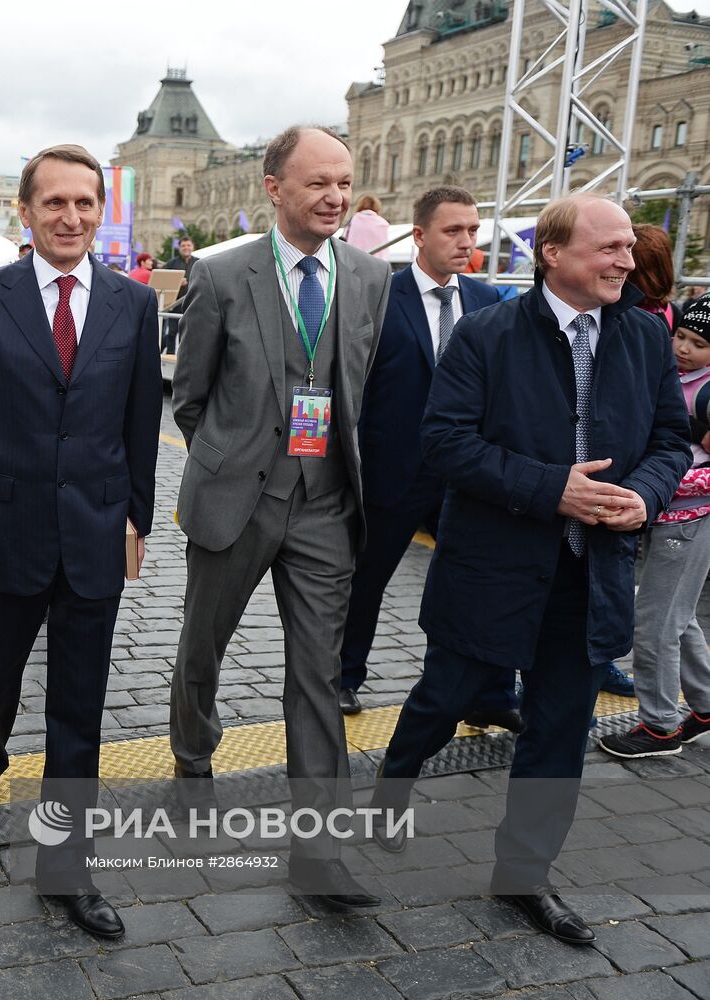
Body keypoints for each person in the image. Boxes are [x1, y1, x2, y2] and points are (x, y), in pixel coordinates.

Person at [369, 194, 689, 945]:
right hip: (494, 568)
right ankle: (394, 777)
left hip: (590, 575)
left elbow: (672, 441)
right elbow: (444, 443)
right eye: (608, 248)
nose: (624, 260)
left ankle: (525, 876)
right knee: (446, 694)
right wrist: (554, 489)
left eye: (625, 249)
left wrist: (643, 496)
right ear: (553, 252)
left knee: (558, 731)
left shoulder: (645, 337)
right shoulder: (487, 334)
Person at [0, 143, 161, 938]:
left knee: (78, 706)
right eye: (54, 202)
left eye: (85, 203)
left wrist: (138, 519)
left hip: (93, 532)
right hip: (4, 527)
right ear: (26, 210)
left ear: (100, 211)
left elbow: (141, 426)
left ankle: (66, 867)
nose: (71, 217)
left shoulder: (133, 303)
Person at [169, 126, 391, 908]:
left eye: (345, 181)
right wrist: (234, 462)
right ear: (274, 188)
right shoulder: (222, 274)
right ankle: (193, 755)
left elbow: (364, 389)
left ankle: (319, 851)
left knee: (317, 676)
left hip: (328, 505)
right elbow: (189, 398)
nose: (335, 196)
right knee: (203, 647)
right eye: (318, 182)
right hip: (237, 500)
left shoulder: (370, 277)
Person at [339, 185, 520, 729]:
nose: (466, 242)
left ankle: (492, 693)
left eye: (472, 231)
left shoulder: (488, 302)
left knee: (486, 580)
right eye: (453, 231)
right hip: (391, 471)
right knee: (365, 580)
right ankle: (345, 677)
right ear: (419, 236)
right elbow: (355, 387)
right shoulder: (378, 295)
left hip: (468, 474)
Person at [599, 295, 710, 758]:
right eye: (681, 336)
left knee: (655, 625)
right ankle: (705, 705)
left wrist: (659, 482)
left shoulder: (706, 394)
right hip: (667, 516)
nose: (683, 348)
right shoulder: (680, 379)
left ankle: (661, 726)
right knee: (678, 619)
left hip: (689, 518)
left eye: (699, 343)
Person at [162, 235, 196, 353]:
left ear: (193, 247)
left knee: (188, 334)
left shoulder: (199, 262)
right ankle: (170, 356)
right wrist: (176, 282)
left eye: (188, 245)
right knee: (172, 333)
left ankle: (184, 358)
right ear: (179, 248)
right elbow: (163, 282)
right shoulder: (171, 263)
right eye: (183, 245)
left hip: (192, 304)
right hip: (174, 304)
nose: (186, 248)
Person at [342, 194, 390, 260]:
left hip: (353, 260)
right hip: (376, 262)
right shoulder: (383, 223)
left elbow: (345, 238)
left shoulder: (353, 220)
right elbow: (384, 250)